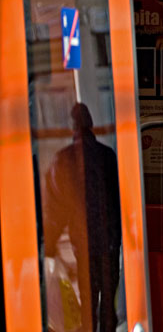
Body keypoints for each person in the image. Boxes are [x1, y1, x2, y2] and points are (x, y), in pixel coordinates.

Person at [43, 103, 121, 331]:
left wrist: (47, 247)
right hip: (109, 246)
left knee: (88, 302)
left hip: (84, 245)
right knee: (108, 304)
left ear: (73, 126)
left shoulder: (63, 160)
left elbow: (57, 210)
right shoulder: (107, 156)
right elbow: (118, 199)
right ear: (91, 124)